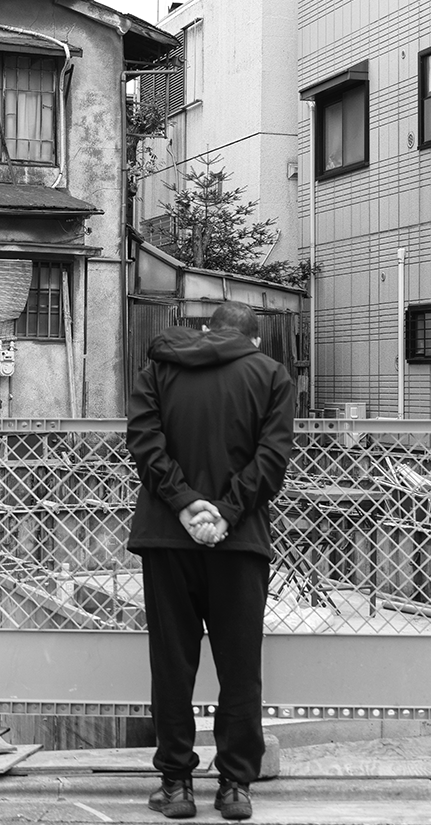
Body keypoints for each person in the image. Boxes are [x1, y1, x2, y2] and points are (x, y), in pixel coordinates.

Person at [127, 300, 295, 821]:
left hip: (167, 536)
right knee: (240, 666)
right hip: (239, 542)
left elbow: (144, 442)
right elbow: (272, 458)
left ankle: (176, 784)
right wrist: (225, 513)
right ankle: (235, 787)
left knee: (172, 664)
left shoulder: (160, 367)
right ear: (254, 340)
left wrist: (183, 504)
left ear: (206, 330)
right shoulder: (271, 375)